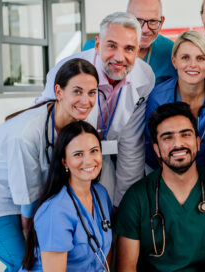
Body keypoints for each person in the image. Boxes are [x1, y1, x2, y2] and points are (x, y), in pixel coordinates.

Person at [0, 59, 99, 272]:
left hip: (28, 197)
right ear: (59, 91)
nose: (86, 100)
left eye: (92, 93)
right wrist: (30, 238)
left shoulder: (77, 122)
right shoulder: (26, 133)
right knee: (25, 263)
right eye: (77, 91)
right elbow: (27, 197)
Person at [115, 102, 205, 271]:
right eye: (168, 138)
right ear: (156, 149)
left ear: (197, 142)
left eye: (185, 135)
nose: (178, 144)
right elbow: (125, 268)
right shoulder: (137, 198)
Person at [38, 12, 155, 207]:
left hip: (102, 158)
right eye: (111, 46)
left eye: (129, 49)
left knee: (108, 211)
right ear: (98, 45)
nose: (119, 57)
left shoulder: (145, 77)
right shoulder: (66, 71)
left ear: (138, 50)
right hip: (62, 158)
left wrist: (123, 205)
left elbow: (131, 144)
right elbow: (47, 132)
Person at [21, 121, 112, 271]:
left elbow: (103, 253)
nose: (89, 160)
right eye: (78, 154)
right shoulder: (56, 211)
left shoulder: (100, 194)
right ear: (64, 162)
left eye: (94, 151)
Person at [146, 31, 205, 173]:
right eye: (185, 58)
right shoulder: (158, 97)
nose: (192, 65)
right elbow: (158, 150)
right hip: (164, 169)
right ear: (174, 61)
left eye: (200, 58)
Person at [128, 0, 176, 85]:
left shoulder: (172, 52)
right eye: (138, 20)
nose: (145, 30)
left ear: (162, 22)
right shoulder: (102, 49)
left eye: (153, 21)